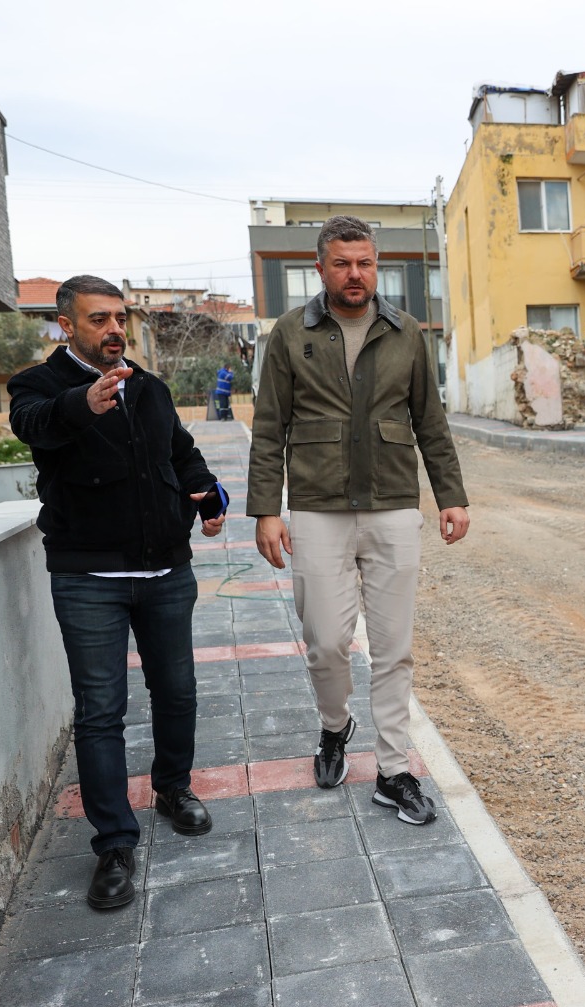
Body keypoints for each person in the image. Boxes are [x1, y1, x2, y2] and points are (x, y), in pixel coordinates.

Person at [8, 275, 226, 910]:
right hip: (88, 578)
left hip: (165, 572)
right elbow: (35, 427)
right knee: (101, 711)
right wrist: (87, 404)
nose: (114, 329)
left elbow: (180, 455)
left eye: (120, 317)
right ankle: (113, 843)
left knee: (177, 690)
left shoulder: (150, 387)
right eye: (99, 319)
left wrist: (210, 495)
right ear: (66, 325)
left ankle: (173, 788)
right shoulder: (39, 385)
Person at [248, 215, 469, 825]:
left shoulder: (406, 331)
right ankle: (334, 726)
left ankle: (394, 770)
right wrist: (267, 509)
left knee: (395, 648)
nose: (355, 274)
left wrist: (451, 494)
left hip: (394, 505)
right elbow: (269, 428)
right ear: (320, 268)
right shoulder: (291, 334)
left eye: (365, 263)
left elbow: (431, 421)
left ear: (378, 266)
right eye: (342, 263)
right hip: (318, 507)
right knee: (325, 641)